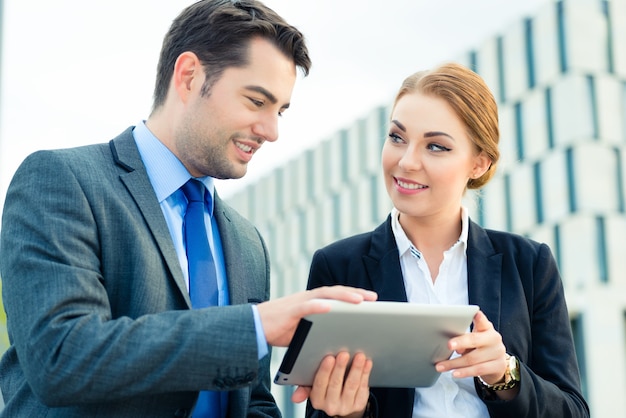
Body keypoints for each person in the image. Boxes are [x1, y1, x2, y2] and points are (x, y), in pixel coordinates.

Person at [0, 1, 377, 417]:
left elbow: (252, 405)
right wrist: (256, 325)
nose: (272, 131)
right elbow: (61, 356)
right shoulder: (62, 181)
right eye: (256, 102)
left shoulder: (247, 243)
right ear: (189, 76)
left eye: (280, 111)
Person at [297, 63, 590, 417]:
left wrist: (505, 375)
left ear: (479, 163)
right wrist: (350, 413)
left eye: (435, 146)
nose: (406, 162)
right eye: (396, 137)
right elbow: (318, 407)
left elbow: (573, 410)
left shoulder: (529, 264)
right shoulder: (339, 266)